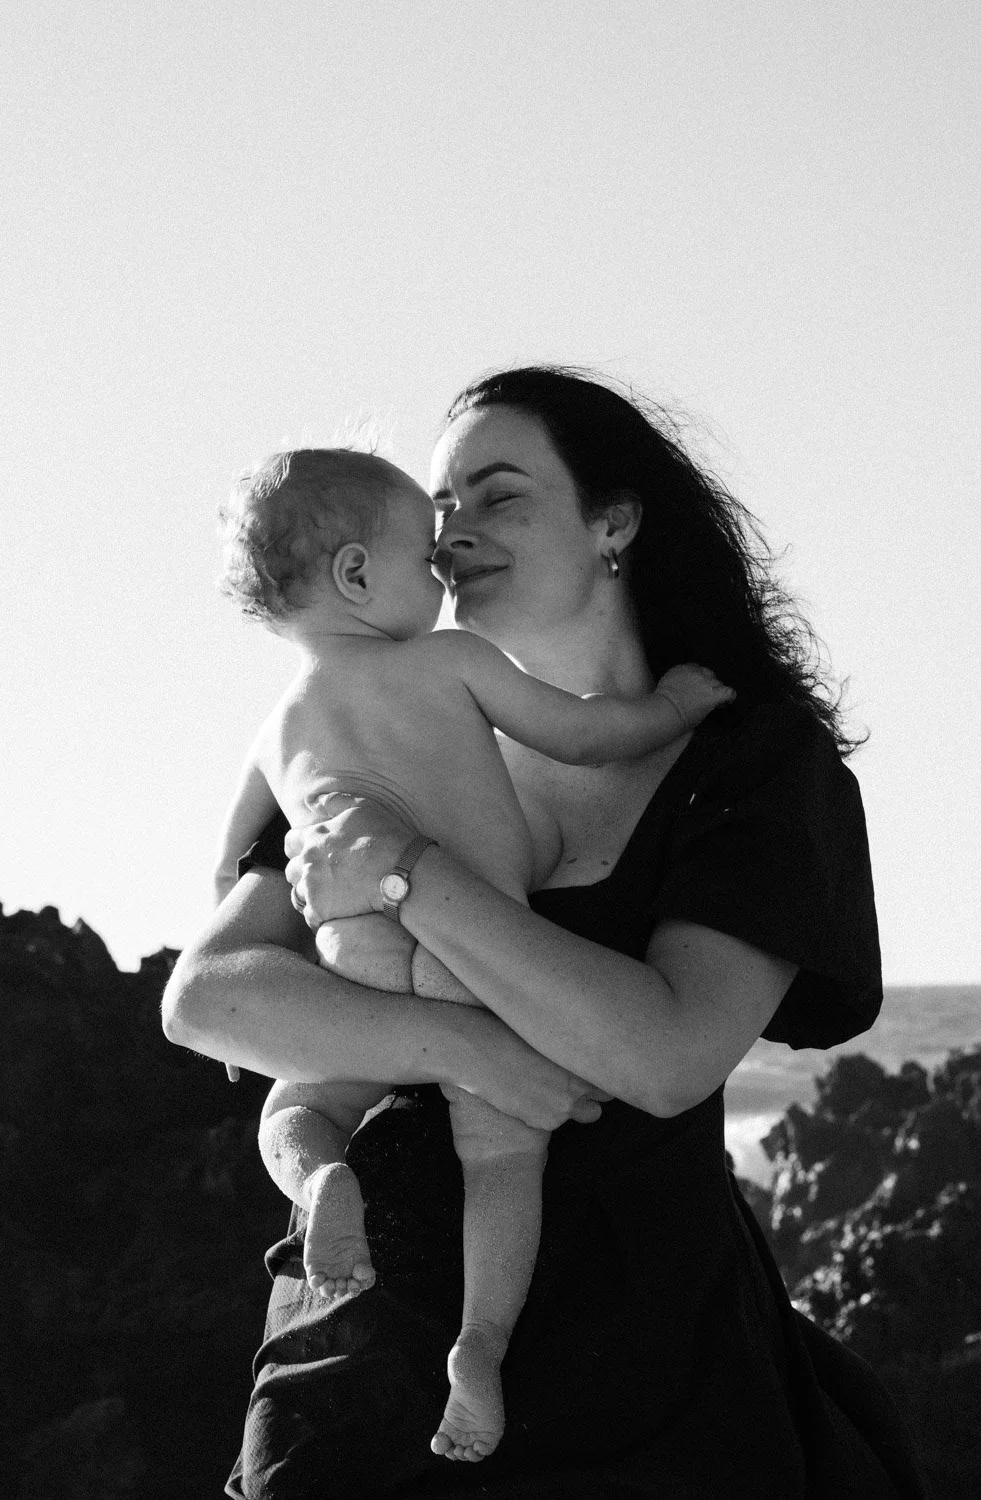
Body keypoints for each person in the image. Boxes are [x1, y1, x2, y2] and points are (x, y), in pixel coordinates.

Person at [163, 366, 930, 1498]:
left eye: (499, 495)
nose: (451, 533)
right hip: (355, 1362)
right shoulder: (370, 739)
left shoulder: (751, 763)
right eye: (439, 506)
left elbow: (664, 1053)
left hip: (646, 1372)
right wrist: (473, 1050)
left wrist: (411, 877)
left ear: (612, 522)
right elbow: (210, 1000)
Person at [211, 445, 733, 1461]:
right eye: (425, 553)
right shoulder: (446, 661)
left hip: (352, 951)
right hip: (466, 949)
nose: (444, 569)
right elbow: (583, 736)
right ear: (357, 574)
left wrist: (260, 1021)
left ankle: (317, 1181)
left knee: (296, 1108)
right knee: (499, 1157)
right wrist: (673, 707)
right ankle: (482, 1345)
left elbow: (231, 860)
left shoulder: (275, 729)